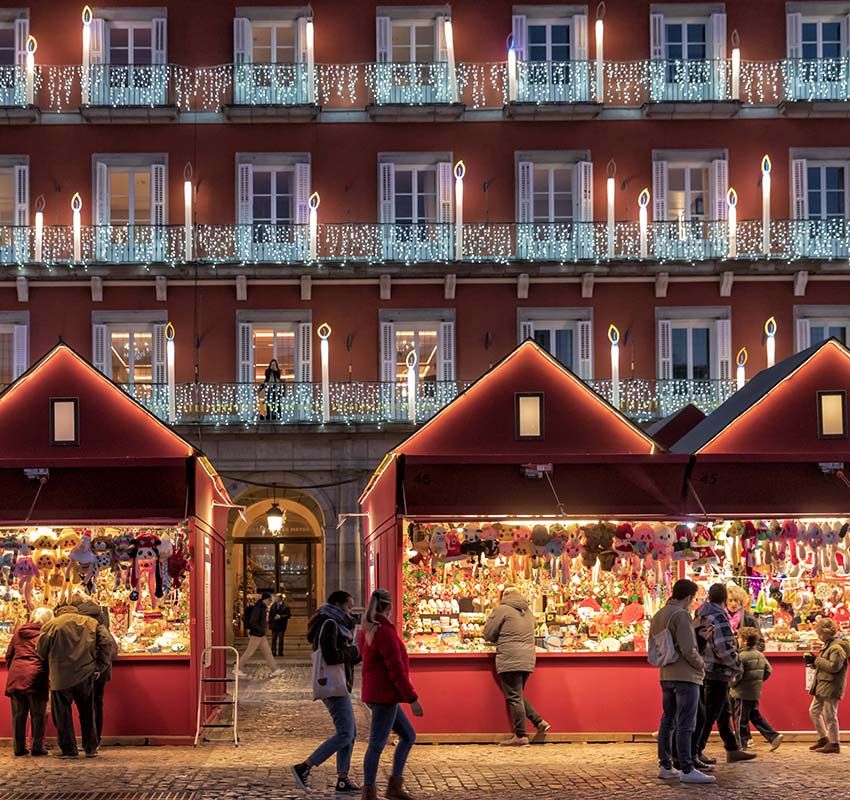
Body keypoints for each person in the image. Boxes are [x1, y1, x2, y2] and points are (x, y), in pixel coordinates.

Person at [291, 590, 362, 793]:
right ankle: (304, 767)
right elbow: (331, 656)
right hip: (333, 685)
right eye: (349, 607)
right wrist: (354, 651)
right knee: (346, 733)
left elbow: (342, 654)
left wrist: (355, 654)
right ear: (338, 605)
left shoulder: (334, 623)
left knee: (350, 732)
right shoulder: (329, 623)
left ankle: (343, 779)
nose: (351, 611)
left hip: (338, 683)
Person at [359, 588, 422, 800]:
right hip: (385, 696)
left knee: (408, 735)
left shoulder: (369, 629)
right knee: (376, 744)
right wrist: (412, 698)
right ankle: (369, 791)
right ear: (389, 607)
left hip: (378, 694)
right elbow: (395, 669)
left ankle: (393, 785)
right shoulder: (384, 633)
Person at [649, 579, 714, 785]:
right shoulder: (682, 615)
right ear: (688, 597)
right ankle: (686, 767)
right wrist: (701, 664)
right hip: (685, 674)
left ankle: (665, 765)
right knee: (686, 722)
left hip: (666, 673)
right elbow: (688, 648)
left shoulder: (660, 614)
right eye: (693, 598)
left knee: (667, 720)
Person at [37, 603, 112, 758]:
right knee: (87, 712)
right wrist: (100, 666)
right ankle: (90, 747)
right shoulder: (91, 623)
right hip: (85, 673)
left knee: (63, 714)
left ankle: (69, 749)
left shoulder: (52, 625)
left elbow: (41, 650)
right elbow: (107, 642)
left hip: (60, 675)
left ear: (58, 611)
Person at [693, 583, 756, 764]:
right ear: (724, 600)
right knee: (710, 713)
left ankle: (732, 747)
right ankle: (695, 751)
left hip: (704, 668)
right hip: (717, 670)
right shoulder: (719, 617)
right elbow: (724, 647)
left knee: (722, 711)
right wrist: (737, 665)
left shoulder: (701, 614)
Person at [483, 586, 549, 746]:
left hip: (510, 657)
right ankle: (538, 721)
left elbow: (488, 633)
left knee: (514, 696)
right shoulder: (528, 612)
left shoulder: (502, 609)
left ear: (503, 596)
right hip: (527, 658)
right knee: (516, 694)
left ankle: (521, 735)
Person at [5, 607, 52, 757]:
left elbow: (9, 654)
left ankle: (19, 747)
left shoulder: (19, 631)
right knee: (38, 714)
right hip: (36, 675)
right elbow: (48, 656)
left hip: (16, 674)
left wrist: (13, 669)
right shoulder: (45, 634)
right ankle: (37, 746)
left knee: (18, 715)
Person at [74, 597, 118, 748]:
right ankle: (94, 739)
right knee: (96, 704)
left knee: (87, 706)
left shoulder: (84, 625)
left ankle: (91, 741)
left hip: (88, 670)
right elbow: (112, 650)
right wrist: (101, 667)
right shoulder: (102, 624)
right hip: (101, 672)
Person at [730, 626, 782, 751]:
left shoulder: (741, 657)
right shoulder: (760, 655)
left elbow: (738, 675)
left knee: (740, 719)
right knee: (755, 716)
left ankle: (741, 743)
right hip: (754, 691)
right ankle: (773, 736)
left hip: (741, 693)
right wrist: (757, 681)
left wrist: (732, 685)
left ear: (744, 641)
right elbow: (768, 671)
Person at [805, 617, 850, 754]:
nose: (819, 637)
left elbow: (834, 667)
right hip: (823, 684)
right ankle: (824, 738)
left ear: (828, 632)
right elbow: (826, 665)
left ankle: (834, 742)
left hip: (831, 685)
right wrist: (813, 662)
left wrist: (816, 660)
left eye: (820, 634)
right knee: (814, 711)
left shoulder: (836, 648)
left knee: (830, 714)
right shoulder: (829, 646)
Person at [238, 592, 283, 677]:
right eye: (269, 600)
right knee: (249, 652)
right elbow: (253, 621)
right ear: (265, 599)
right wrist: (261, 629)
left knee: (268, 652)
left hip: (260, 634)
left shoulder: (262, 607)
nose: (270, 602)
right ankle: (238, 668)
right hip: (256, 634)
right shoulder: (258, 608)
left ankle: (275, 669)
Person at [269, 593, 292, 658]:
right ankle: (273, 651)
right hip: (274, 625)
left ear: (280, 598)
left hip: (281, 625)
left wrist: (280, 616)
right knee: (274, 638)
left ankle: (280, 651)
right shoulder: (273, 605)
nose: (275, 598)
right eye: (275, 597)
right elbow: (271, 615)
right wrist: (270, 623)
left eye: (277, 597)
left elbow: (288, 615)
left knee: (281, 638)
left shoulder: (285, 606)